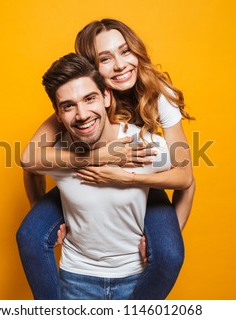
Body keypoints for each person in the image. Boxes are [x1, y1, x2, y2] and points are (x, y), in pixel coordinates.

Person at [18, 18, 195, 300]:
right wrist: (99, 156)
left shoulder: (159, 95)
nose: (120, 65)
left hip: (144, 179)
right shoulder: (79, 98)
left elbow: (185, 176)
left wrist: (128, 178)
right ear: (93, 68)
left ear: (105, 96)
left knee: (169, 253)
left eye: (125, 51)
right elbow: (29, 159)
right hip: (86, 175)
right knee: (29, 235)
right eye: (105, 58)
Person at [38, 52, 173, 299]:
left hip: (137, 279)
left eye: (90, 99)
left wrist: (166, 243)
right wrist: (36, 205)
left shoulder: (141, 146)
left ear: (107, 97)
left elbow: (186, 181)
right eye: (68, 106)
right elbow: (30, 167)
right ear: (58, 115)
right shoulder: (56, 153)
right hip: (76, 278)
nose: (82, 114)